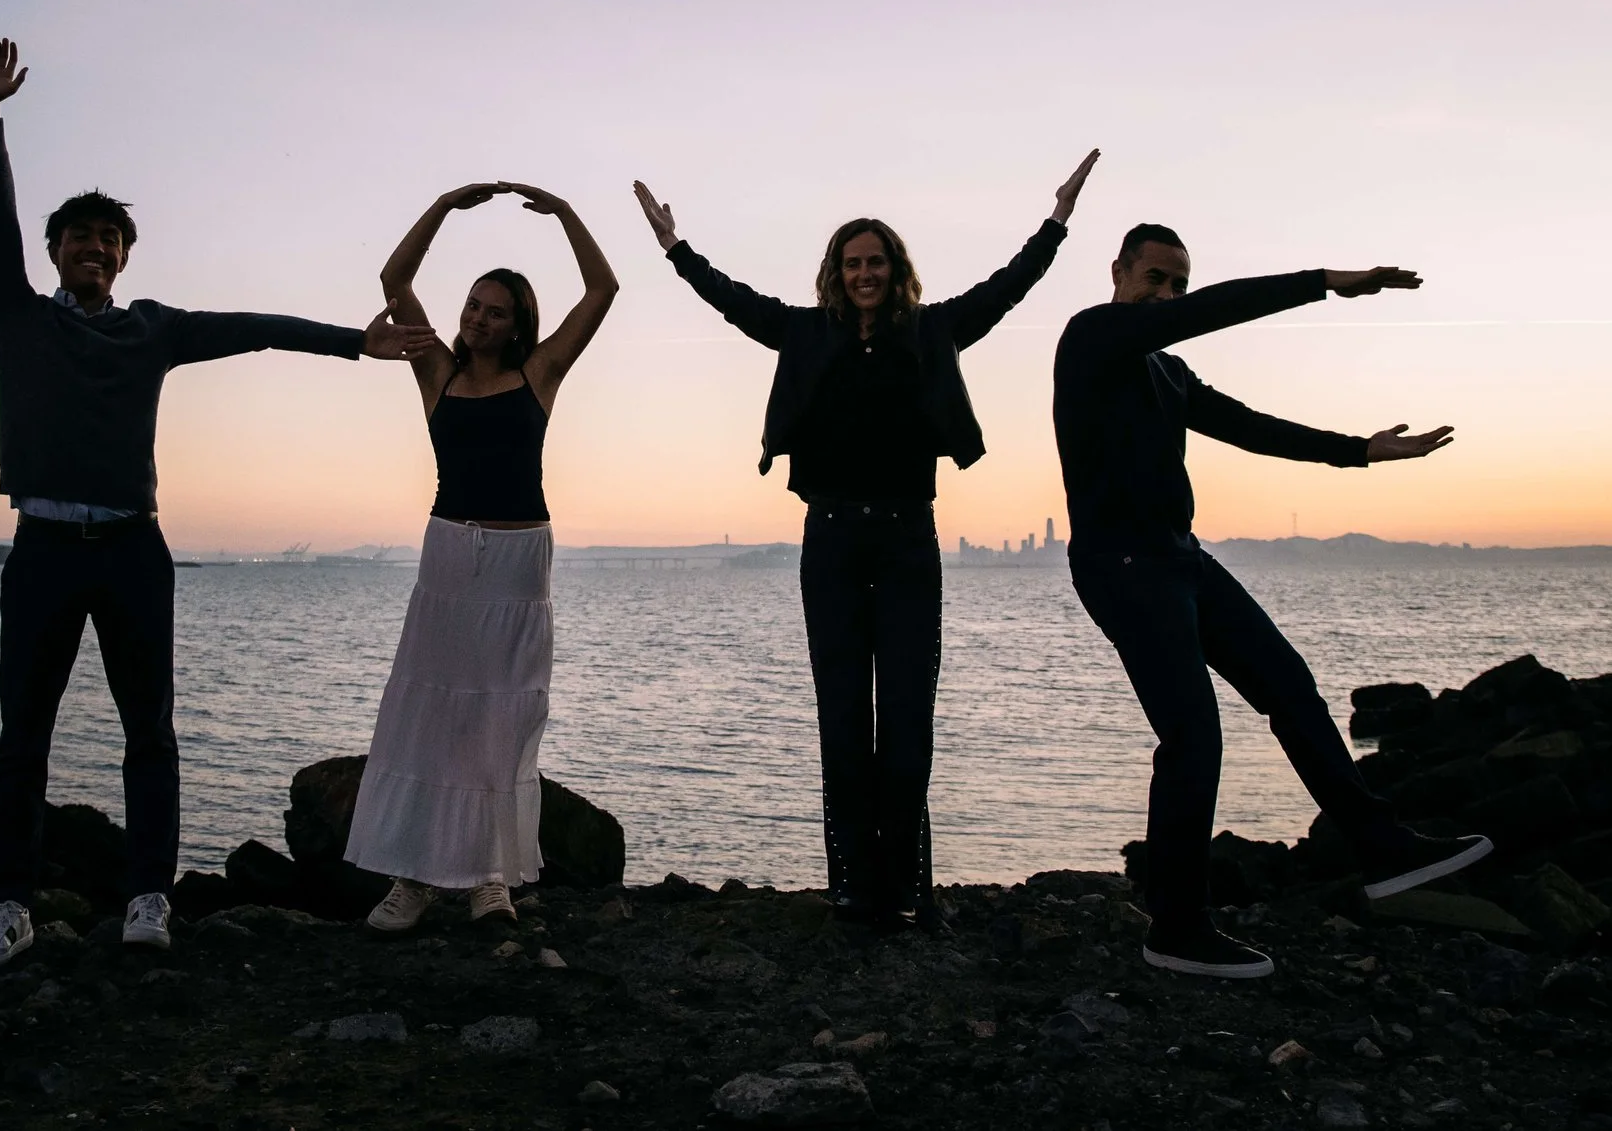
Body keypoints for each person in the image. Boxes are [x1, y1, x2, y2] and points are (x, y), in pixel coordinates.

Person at [0, 38, 433, 973]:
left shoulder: (152, 330)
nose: (94, 248)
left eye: (110, 239)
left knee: (152, 731)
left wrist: (353, 343)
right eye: (79, 236)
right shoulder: (17, 314)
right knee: (24, 735)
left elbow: (253, 330)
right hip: (44, 547)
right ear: (55, 252)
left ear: (124, 259)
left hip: (133, 549)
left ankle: (148, 897)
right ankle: (7, 906)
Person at [633, 154, 1098, 927]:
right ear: (835, 273)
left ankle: (907, 885)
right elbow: (733, 302)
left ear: (895, 268)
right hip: (832, 541)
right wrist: (675, 247)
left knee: (908, 715)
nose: (864, 273)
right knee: (843, 713)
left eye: (875, 260)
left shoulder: (933, 328)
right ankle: (850, 881)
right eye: (852, 263)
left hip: (910, 540)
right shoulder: (806, 333)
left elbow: (1007, 288)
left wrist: (1056, 220)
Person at [1052, 221, 1485, 979]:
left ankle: (1381, 846)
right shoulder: (1090, 336)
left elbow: (1251, 428)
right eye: (1156, 277)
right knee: (1193, 734)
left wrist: (1361, 450)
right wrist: (1320, 280)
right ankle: (1176, 926)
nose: (1169, 294)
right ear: (1118, 271)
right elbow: (1208, 313)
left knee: (1290, 686)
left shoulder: (1170, 373)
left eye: (1179, 282)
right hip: (1120, 565)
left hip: (1181, 557)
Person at [348, 181, 620, 932]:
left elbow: (603, 288)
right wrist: (439, 206)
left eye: (494, 311)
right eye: (472, 305)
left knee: (501, 718)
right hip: (448, 556)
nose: (477, 318)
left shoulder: (538, 375)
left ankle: (489, 878)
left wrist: (566, 211)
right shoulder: (435, 369)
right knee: (432, 712)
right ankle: (414, 876)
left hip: (517, 559)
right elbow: (394, 280)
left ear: (516, 324)